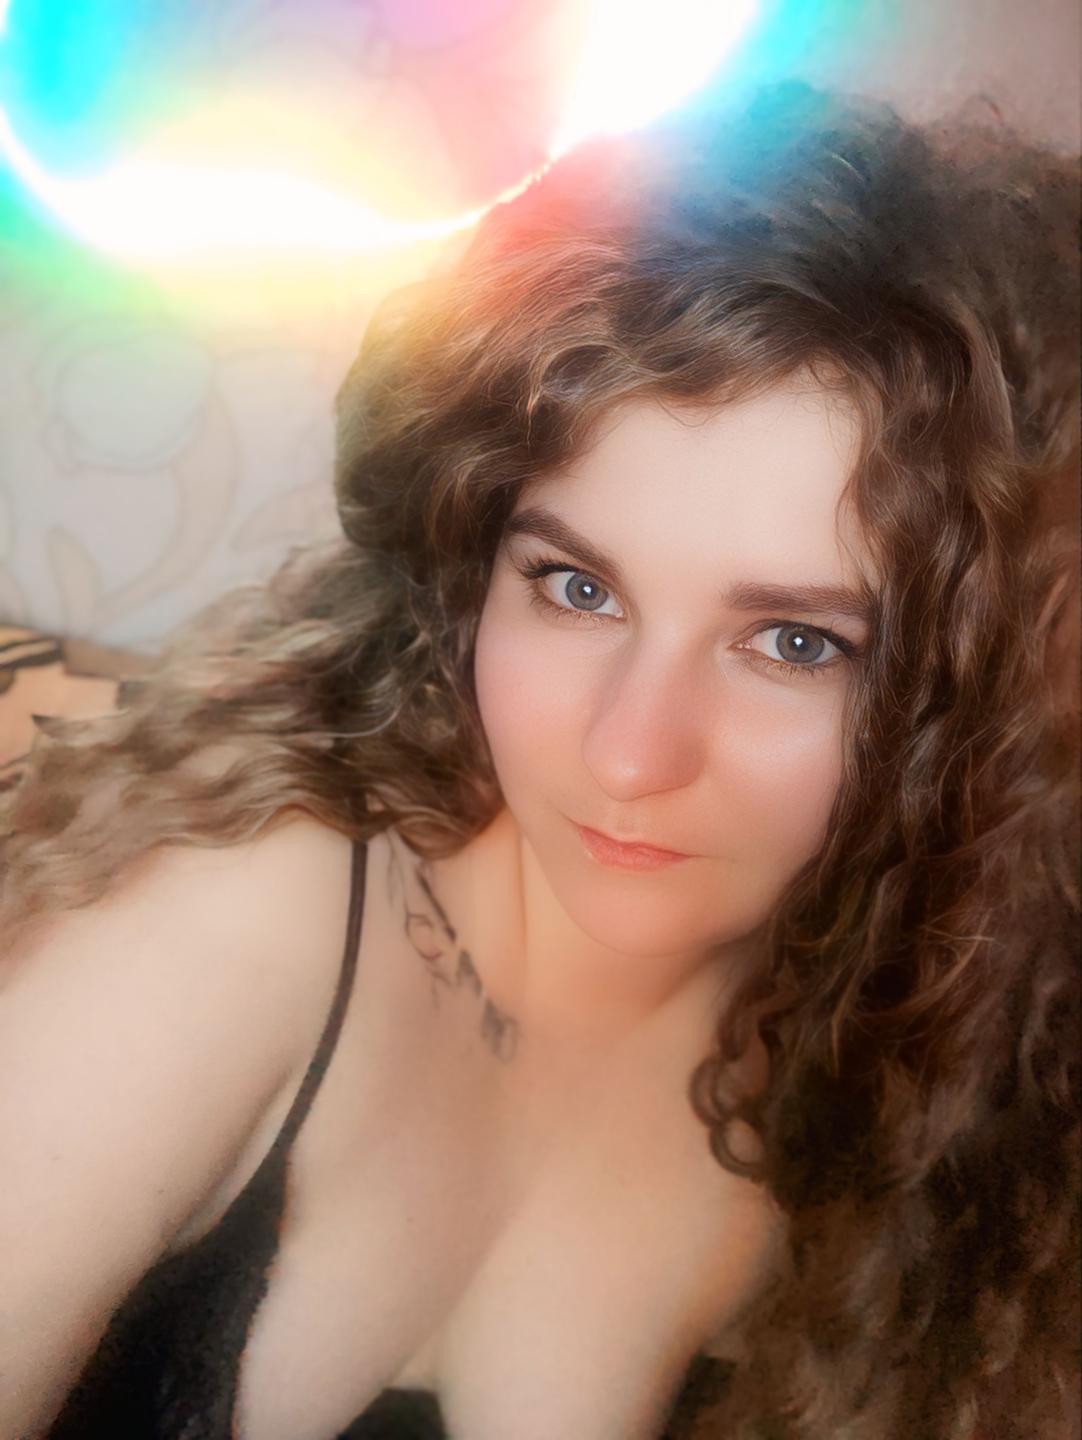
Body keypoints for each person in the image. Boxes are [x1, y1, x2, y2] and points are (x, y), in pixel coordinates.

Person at [1, 79, 1078, 1440]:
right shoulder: (236, 927)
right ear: (472, 572)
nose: (629, 754)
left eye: (797, 644)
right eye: (577, 589)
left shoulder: (920, 1087)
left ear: (977, 701)